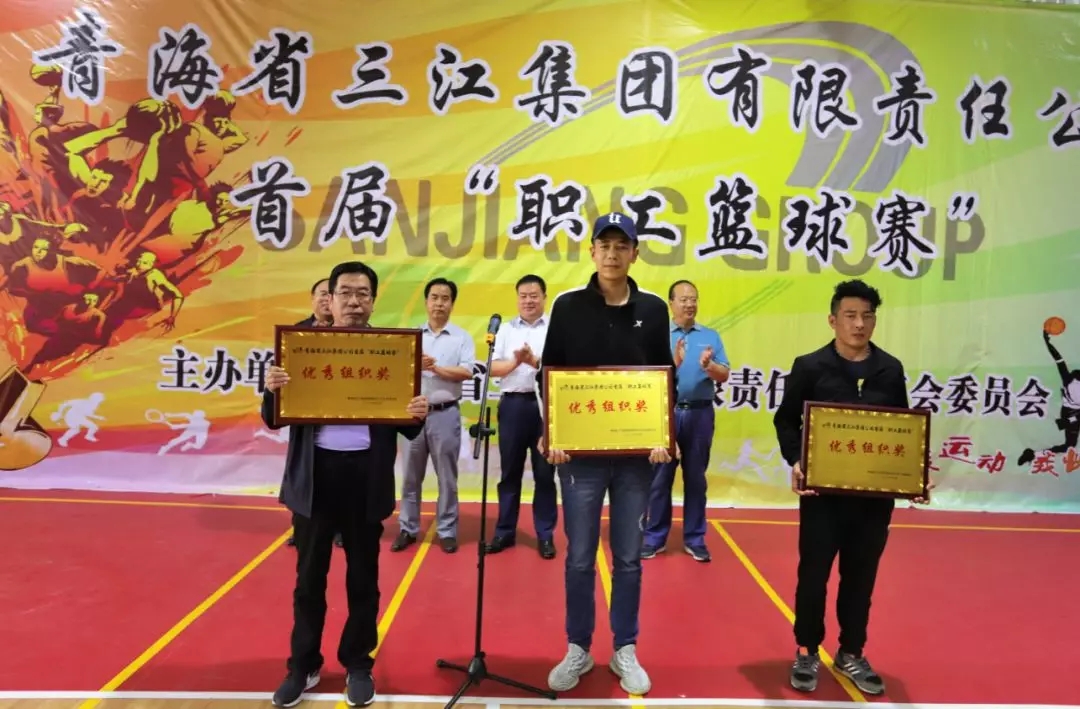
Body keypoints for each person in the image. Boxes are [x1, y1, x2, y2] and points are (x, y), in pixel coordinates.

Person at [262, 261, 429, 708]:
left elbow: (408, 426)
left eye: (362, 294)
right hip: (315, 479)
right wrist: (273, 388)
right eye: (345, 293)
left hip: (364, 479)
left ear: (373, 300)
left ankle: (357, 662)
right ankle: (303, 665)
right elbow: (273, 419)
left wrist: (417, 411)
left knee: (363, 579)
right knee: (308, 580)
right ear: (329, 299)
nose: (354, 302)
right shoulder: (300, 348)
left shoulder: (390, 352)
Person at [537, 212, 676, 696]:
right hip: (580, 458)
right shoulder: (568, 307)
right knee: (578, 556)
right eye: (605, 245)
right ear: (592, 251)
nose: (613, 254)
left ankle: (625, 648)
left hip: (637, 458)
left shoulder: (653, 309)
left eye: (622, 246)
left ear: (635, 253)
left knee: (629, 558)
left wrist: (663, 433)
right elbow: (549, 372)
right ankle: (578, 647)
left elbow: (663, 377)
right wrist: (552, 432)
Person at [772, 279, 931, 696]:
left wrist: (913, 474)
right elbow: (786, 420)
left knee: (861, 577)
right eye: (850, 316)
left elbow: (902, 430)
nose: (859, 324)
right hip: (823, 496)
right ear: (833, 320)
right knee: (813, 575)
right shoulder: (809, 366)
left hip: (873, 499)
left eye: (867, 316)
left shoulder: (890, 369)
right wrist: (797, 461)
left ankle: (851, 652)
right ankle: (806, 650)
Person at [642, 279, 729, 563]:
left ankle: (695, 538)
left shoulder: (710, 336)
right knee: (659, 479)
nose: (689, 304)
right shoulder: (657, 335)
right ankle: (654, 537)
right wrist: (675, 362)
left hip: (700, 414)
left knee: (696, 479)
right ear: (671, 303)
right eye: (683, 299)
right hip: (665, 413)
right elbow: (648, 377)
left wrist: (709, 365)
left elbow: (724, 374)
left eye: (693, 299)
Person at [393, 277, 475, 554]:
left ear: (452, 303)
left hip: (445, 414)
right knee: (410, 477)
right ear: (426, 301)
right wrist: (414, 365)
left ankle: (447, 530)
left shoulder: (462, 337)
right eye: (434, 298)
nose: (439, 303)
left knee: (447, 478)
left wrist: (435, 368)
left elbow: (467, 371)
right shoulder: (413, 336)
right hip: (413, 416)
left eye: (445, 298)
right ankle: (408, 528)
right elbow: (397, 371)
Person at [486, 274, 558, 560]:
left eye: (534, 295)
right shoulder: (504, 330)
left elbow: (559, 367)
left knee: (545, 474)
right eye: (523, 296)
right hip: (513, 406)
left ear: (544, 298)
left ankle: (545, 535)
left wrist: (534, 361)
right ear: (517, 299)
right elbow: (493, 367)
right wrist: (517, 361)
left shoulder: (555, 328)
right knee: (509, 473)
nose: (529, 301)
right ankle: (504, 531)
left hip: (545, 408)